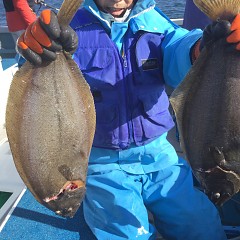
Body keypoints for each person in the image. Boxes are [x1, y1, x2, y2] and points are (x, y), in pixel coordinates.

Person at [16, 0, 240, 239]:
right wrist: (36, 49)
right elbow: (35, 80)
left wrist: (200, 47)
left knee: (200, 225)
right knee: (124, 232)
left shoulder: (155, 22)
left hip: (160, 154)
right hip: (102, 162)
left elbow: (178, 49)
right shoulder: (71, 27)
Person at [2, 0, 37, 67]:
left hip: (14, 23)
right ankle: (25, 74)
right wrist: (33, 26)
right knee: (27, 55)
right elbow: (20, 4)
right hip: (22, 24)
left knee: (21, 52)